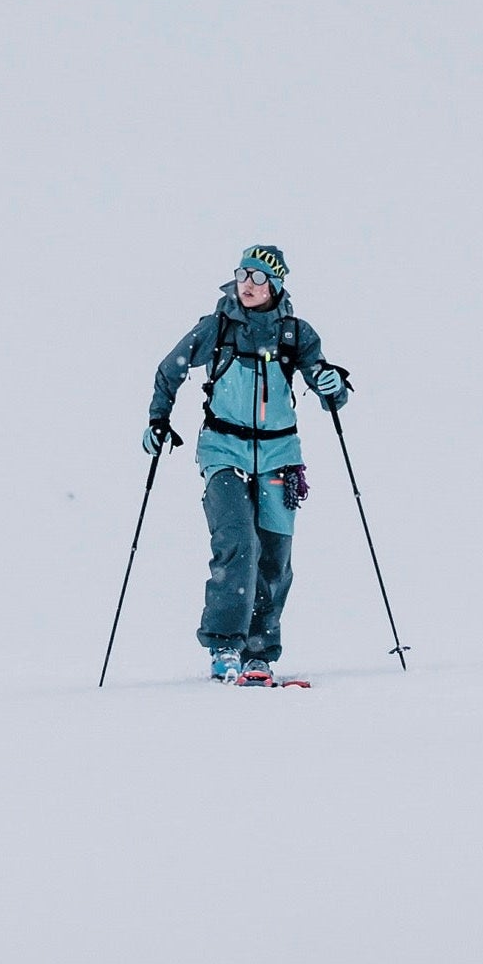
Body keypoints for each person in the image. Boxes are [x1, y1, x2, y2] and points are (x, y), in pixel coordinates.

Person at [147, 245, 350, 684]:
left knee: (275, 555)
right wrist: (158, 420)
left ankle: (258, 653)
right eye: (243, 275)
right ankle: (225, 646)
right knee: (238, 540)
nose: (248, 285)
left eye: (259, 278)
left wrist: (333, 387)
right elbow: (169, 370)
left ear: (275, 285)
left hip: (280, 456)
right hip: (223, 450)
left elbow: (327, 390)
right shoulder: (217, 327)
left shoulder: (295, 334)